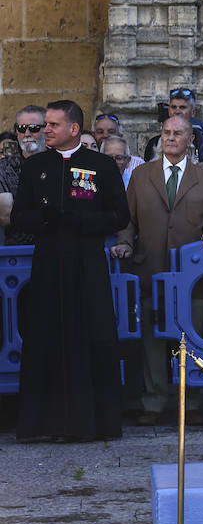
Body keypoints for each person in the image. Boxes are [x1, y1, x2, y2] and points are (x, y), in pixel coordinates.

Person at [10, 100, 130, 441]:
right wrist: (47, 219)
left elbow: (119, 215)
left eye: (52, 124)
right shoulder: (36, 167)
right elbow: (20, 216)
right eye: (44, 124)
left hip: (87, 264)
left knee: (91, 336)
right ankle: (45, 425)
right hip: (48, 264)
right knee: (47, 338)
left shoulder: (101, 165)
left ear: (73, 129)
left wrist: (83, 221)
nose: (44, 130)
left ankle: (95, 423)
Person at [111, 115, 203, 425]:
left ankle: (195, 401)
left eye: (178, 133)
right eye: (166, 132)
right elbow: (127, 221)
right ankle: (154, 401)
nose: (171, 137)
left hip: (192, 276)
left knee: (193, 336)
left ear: (190, 140)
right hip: (150, 268)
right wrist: (125, 244)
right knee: (151, 339)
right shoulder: (141, 175)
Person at [0, 105, 49, 246]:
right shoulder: (4, 166)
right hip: (19, 251)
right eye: (21, 128)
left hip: (56, 248)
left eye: (34, 128)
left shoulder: (60, 162)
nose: (27, 133)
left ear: (47, 129)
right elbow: (6, 217)